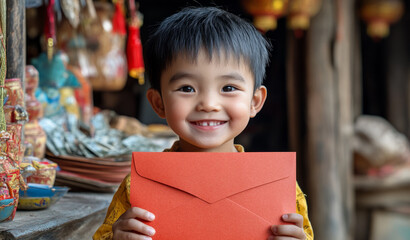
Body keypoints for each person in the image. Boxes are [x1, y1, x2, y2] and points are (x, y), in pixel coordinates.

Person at [93, 6, 313, 240]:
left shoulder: (278, 190)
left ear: (255, 101)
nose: (208, 104)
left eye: (228, 88)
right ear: (158, 104)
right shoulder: (137, 187)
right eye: (187, 88)